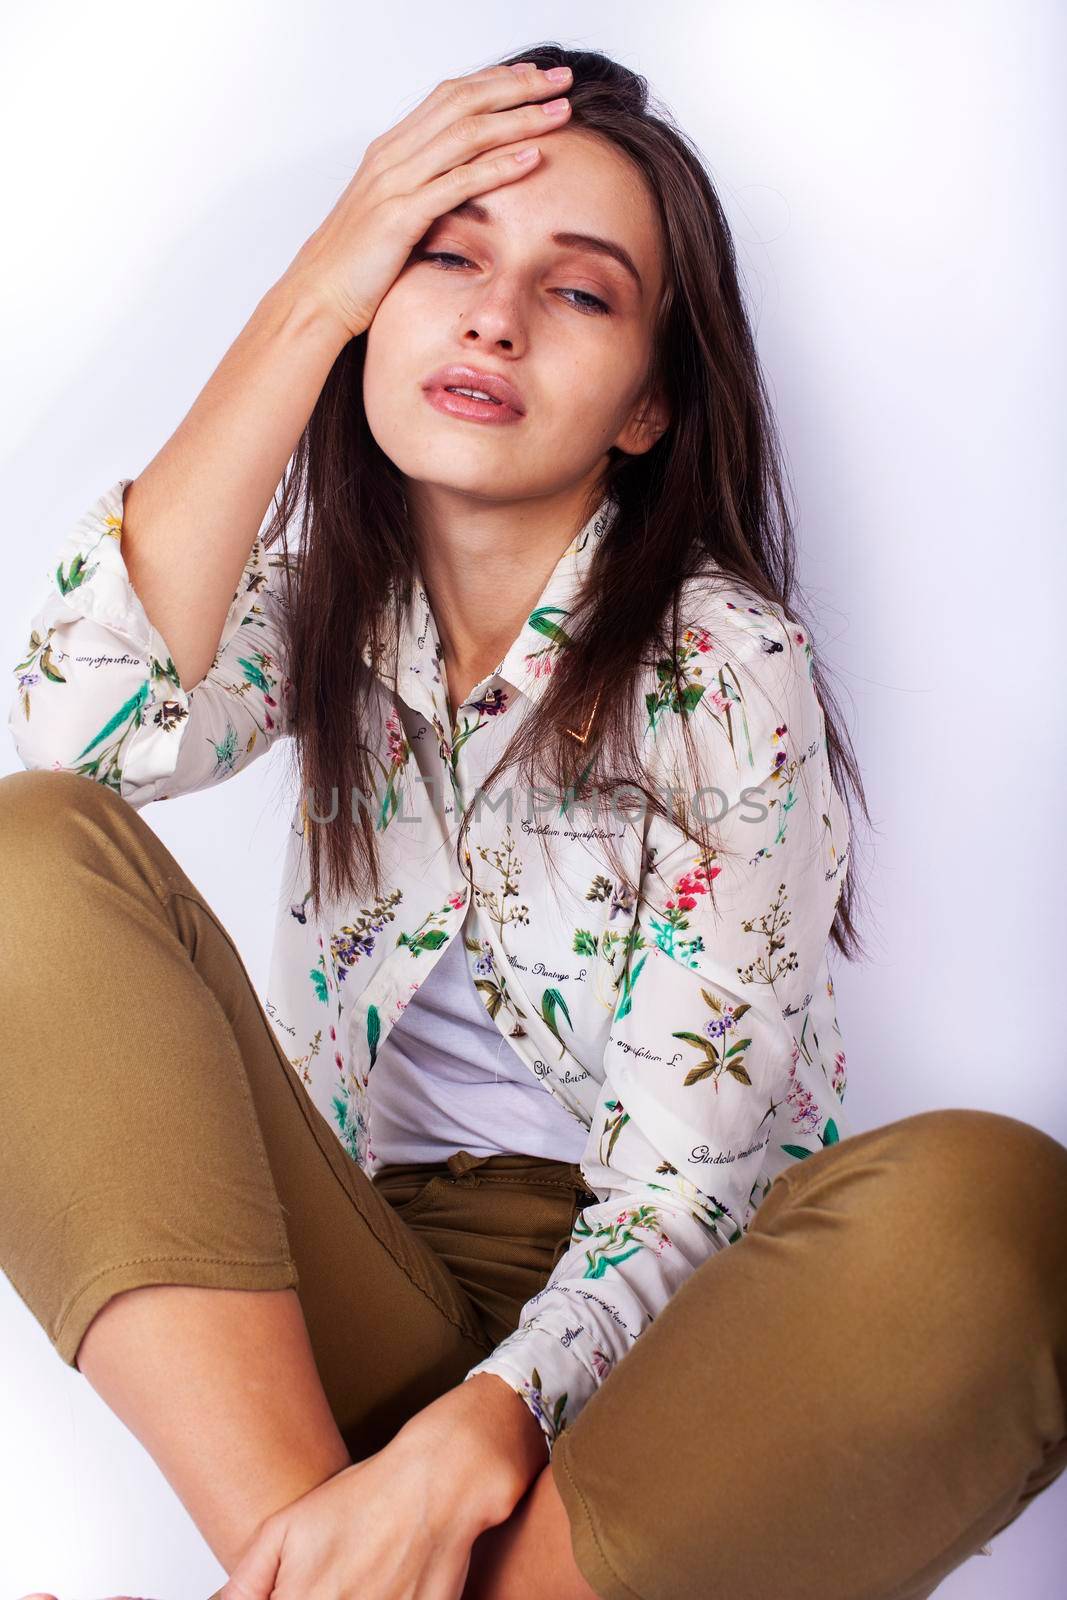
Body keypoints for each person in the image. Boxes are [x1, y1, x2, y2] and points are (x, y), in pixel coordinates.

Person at [4, 40, 1066, 1600]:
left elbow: (693, 1187)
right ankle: (332, 1557)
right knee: (23, 857)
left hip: (679, 1354)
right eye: (442, 256)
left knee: (1002, 1209)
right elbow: (65, 740)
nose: (494, 315)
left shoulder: (722, 665)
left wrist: (487, 1424)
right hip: (355, 1298)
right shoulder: (319, 595)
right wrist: (310, 294)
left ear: (645, 409)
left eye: (579, 292)